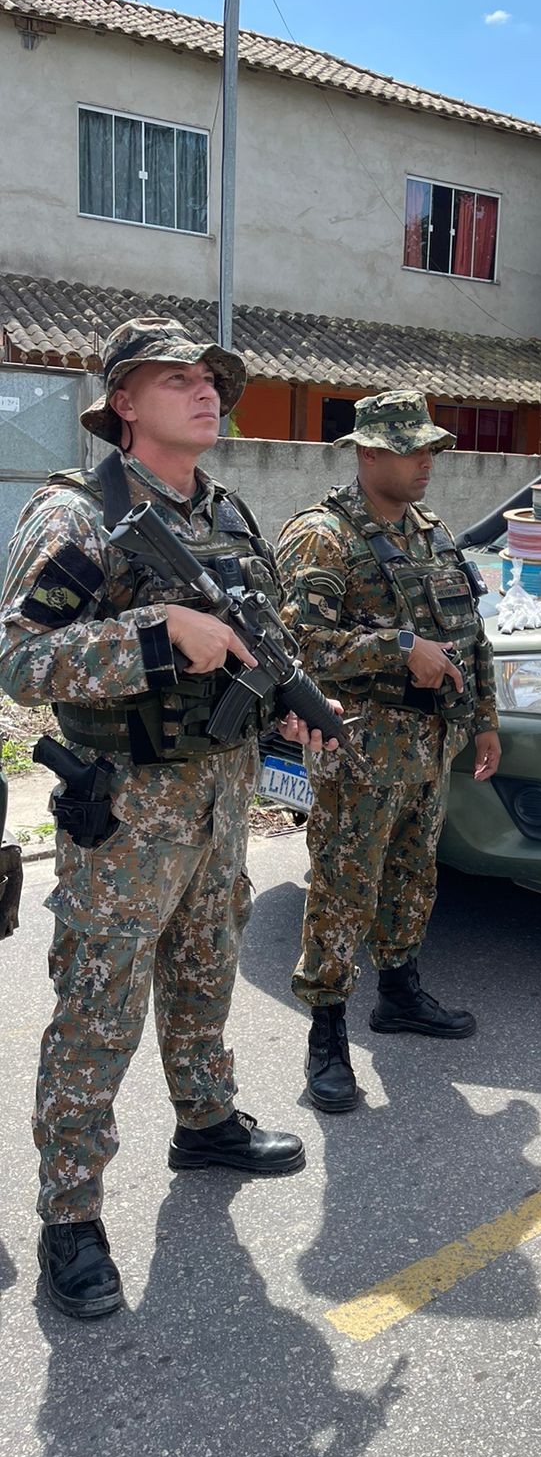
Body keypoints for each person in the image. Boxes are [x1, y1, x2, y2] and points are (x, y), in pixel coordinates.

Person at [0, 317, 335, 1320]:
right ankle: (70, 1213)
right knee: (98, 1006)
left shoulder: (230, 515)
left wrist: (286, 703)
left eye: (213, 379)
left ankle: (207, 1120)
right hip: (127, 809)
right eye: (178, 378)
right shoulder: (79, 515)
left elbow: (252, 645)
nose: (206, 392)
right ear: (124, 404)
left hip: (224, 796)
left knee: (204, 969)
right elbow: (20, 660)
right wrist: (159, 633)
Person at [276, 390, 501, 1114]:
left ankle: (399, 992)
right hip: (360, 744)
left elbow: (470, 629)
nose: (426, 462)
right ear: (369, 452)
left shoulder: (429, 530)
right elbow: (299, 648)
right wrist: (400, 648)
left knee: (412, 873)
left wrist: (486, 718)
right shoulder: (322, 536)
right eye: (412, 449)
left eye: (430, 448)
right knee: (345, 886)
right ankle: (327, 1030)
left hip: (430, 742)